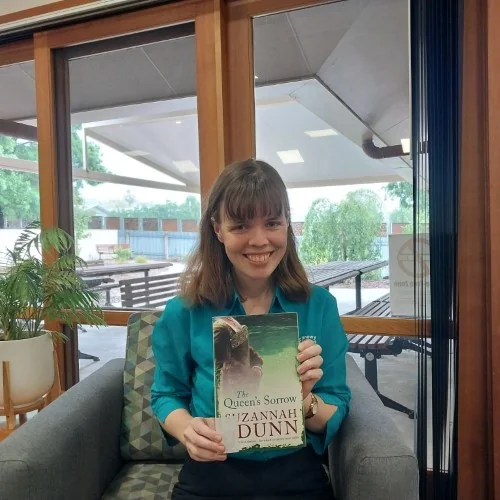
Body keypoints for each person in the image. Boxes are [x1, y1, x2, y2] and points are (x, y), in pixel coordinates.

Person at [151, 159, 351, 500]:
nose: (259, 241)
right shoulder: (184, 311)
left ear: (287, 224)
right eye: (241, 226)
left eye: (272, 222)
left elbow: (337, 405)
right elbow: (166, 394)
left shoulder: (319, 306)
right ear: (218, 230)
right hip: (213, 471)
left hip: (295, 470)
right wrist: (187, 430)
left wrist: (302, 398)